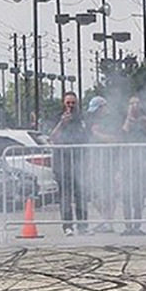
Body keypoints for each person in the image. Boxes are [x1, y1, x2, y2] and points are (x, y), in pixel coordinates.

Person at [49, 91, 89, 236]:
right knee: (65, 196)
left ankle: (83, 226)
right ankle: (67, 226)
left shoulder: (81, 118)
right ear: (63, 103)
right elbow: (51, 137)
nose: (71, 106)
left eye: (73, 103)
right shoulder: (57, 117)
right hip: (62, 163)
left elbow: (87, 137)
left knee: (81, 195)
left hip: (79, 162)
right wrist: (62, 123)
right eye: (68, 103)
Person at [119, 95, 146, 235]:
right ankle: (127, 226)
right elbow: (123, 134)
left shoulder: (145, 119)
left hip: (142, 162)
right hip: (127, 162)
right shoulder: (125, 120)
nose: (134, 106)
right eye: (131, 103)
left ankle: (137, 226)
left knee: (139, 196)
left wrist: (142, 122)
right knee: (126, 196)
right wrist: (129, 118)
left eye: (137, 103)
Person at [86, 96, 118, 233]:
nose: (96, 113)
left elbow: (115, 139)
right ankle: (107, 220)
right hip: (97, 161)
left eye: (98, 110)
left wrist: (98, 134)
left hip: (110, 162)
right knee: (94, 195)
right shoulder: (93, 121)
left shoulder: (112, 121)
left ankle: (108, 222)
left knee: (108, 194)